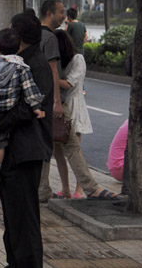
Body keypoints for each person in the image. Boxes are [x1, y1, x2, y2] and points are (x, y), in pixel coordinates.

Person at [0, 12, 53, 267]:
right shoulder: (19, 62)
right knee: (14, 218)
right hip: (15, 151)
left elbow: (28, 109)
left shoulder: (33, 64)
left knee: (24, 221)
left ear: (19, 36)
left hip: (26, 152)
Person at [39, 0, 119, 201]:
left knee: (47, 148)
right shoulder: (49, 39)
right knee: (72, 147)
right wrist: (57, 102)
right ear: (49, 13)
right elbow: (53, 73)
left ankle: (48, 190)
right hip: (54, 104)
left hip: (40, 103)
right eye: (60, 12)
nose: (63, 16)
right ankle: (90, 188)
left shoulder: (36, 38)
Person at [0, 28, 46, 183]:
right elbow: (29, 88)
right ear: (18, 48)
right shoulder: (20, 67)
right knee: (0, 144)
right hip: (6, 112)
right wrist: (36, 107)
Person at [54, 29, 93, 198]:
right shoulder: (57, 61)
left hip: (74, 106)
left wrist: (50, 75)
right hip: (59, 107)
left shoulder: (78, 59)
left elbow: (70, 84)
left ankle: (79, 189)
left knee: (75, 151)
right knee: (58, 152)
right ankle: (65, 188)